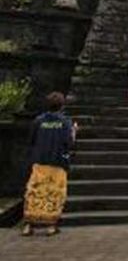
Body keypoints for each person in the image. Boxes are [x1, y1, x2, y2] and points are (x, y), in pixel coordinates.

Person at [22, 92, 76, 236]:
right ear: (62, 105)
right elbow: (69, 143)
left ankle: (28, 224)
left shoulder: (38, 121)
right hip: (58, 161)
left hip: (39, 161)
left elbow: (31, 140)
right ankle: (51, 225)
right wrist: (74, 132)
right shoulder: (65, 122)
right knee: (55, 192)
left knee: (34, 192)